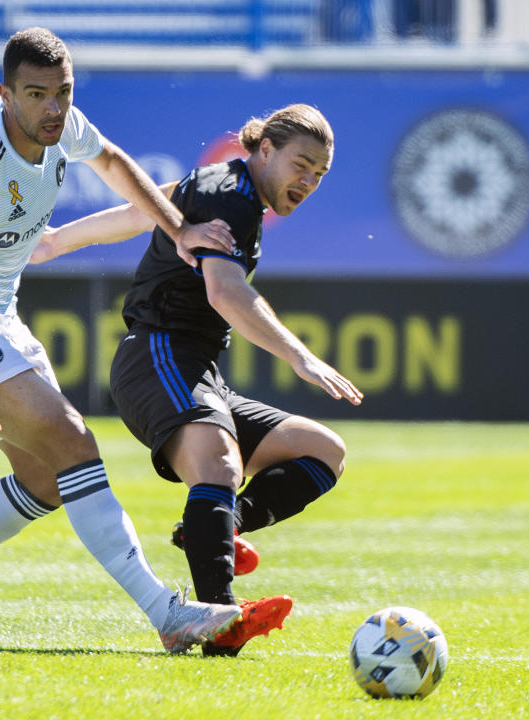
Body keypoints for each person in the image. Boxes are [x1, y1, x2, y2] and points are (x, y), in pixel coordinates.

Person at [0, 27, 245, 653]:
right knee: (74, 441)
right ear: (5, 94)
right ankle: (166, 612)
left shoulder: (61, 123)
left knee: (46, 478)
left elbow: (114, 163)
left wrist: (179, 229)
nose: (53, 108)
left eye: (62, 93)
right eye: (37, 94)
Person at [30, 104, 363, 655]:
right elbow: (225, 292)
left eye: (319, 174)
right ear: (264, 151)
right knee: (220, 462)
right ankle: (220, 623)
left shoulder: (224, 190)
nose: (308, 181)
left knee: (322, 451)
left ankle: (218, 528)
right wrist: (301, 357)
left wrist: (56, 240)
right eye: (301, 164)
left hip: (196, 368)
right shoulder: (229, 195)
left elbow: (147, 207)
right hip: (156, 353)